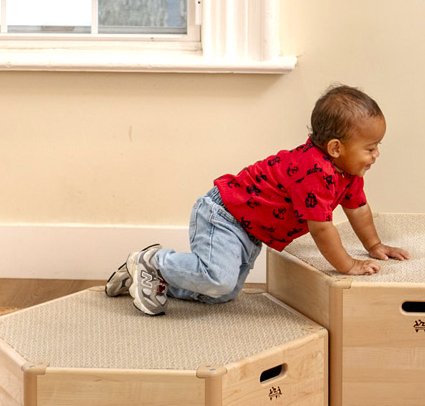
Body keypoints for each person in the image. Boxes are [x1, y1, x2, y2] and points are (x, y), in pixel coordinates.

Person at [105, 85, 407, 315]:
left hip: (250, 231)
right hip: (224, 214)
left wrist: (374, 246)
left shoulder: (347, 174)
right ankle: (152, 261)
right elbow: (321, 229)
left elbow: (359, 209)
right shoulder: (315, 171)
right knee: (218, 279)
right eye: (370, 148)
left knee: (222, 293)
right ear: (336, 148)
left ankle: (150, 278)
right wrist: (348, 265)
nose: (376, 154)